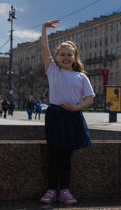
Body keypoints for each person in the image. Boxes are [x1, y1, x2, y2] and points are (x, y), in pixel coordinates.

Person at [39, 20, 95, 205]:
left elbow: (90, 98)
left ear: (74, 57)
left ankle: (64, 190)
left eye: (69, 54)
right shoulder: (52, 71)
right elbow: (45, 48)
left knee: (66, 157)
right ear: (56, 57)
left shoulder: (81, 77)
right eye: (61, 54)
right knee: (54, 155)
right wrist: (44, 28)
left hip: (72, 116)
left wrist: (76, 108)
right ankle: (51, 190)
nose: (65, 57)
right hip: (55, 115)